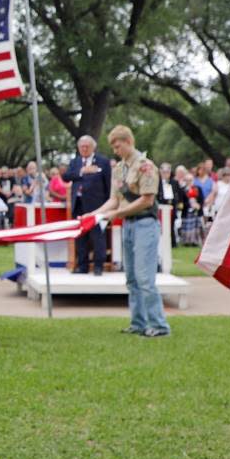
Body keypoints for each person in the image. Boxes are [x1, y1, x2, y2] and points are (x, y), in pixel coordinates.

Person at [93, 124, 170, 338]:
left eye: (118, 146)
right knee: (132, 278)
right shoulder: (119, 169)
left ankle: (159, 325)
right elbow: (114, 199)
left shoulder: (146, 166)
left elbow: (147, 200)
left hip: (145, 224)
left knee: (145, 278)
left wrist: (117, 214)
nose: (115, 151)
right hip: (128, 225)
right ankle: (138, 323)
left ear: (129, 142)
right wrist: (94, 214)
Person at [63, 135, 112, 275]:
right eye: (81, 147)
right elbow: (66, 176)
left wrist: (108, 205)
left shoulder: (102, 161)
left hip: (96, 205)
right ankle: (82, 266)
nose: (84, 149)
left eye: (87, 146)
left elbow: (108, 184)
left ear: (93, 147)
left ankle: (98, 266)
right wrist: (82, 171)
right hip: (78, 203)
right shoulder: (75, 162)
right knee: (81, 235)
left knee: (97, 235)